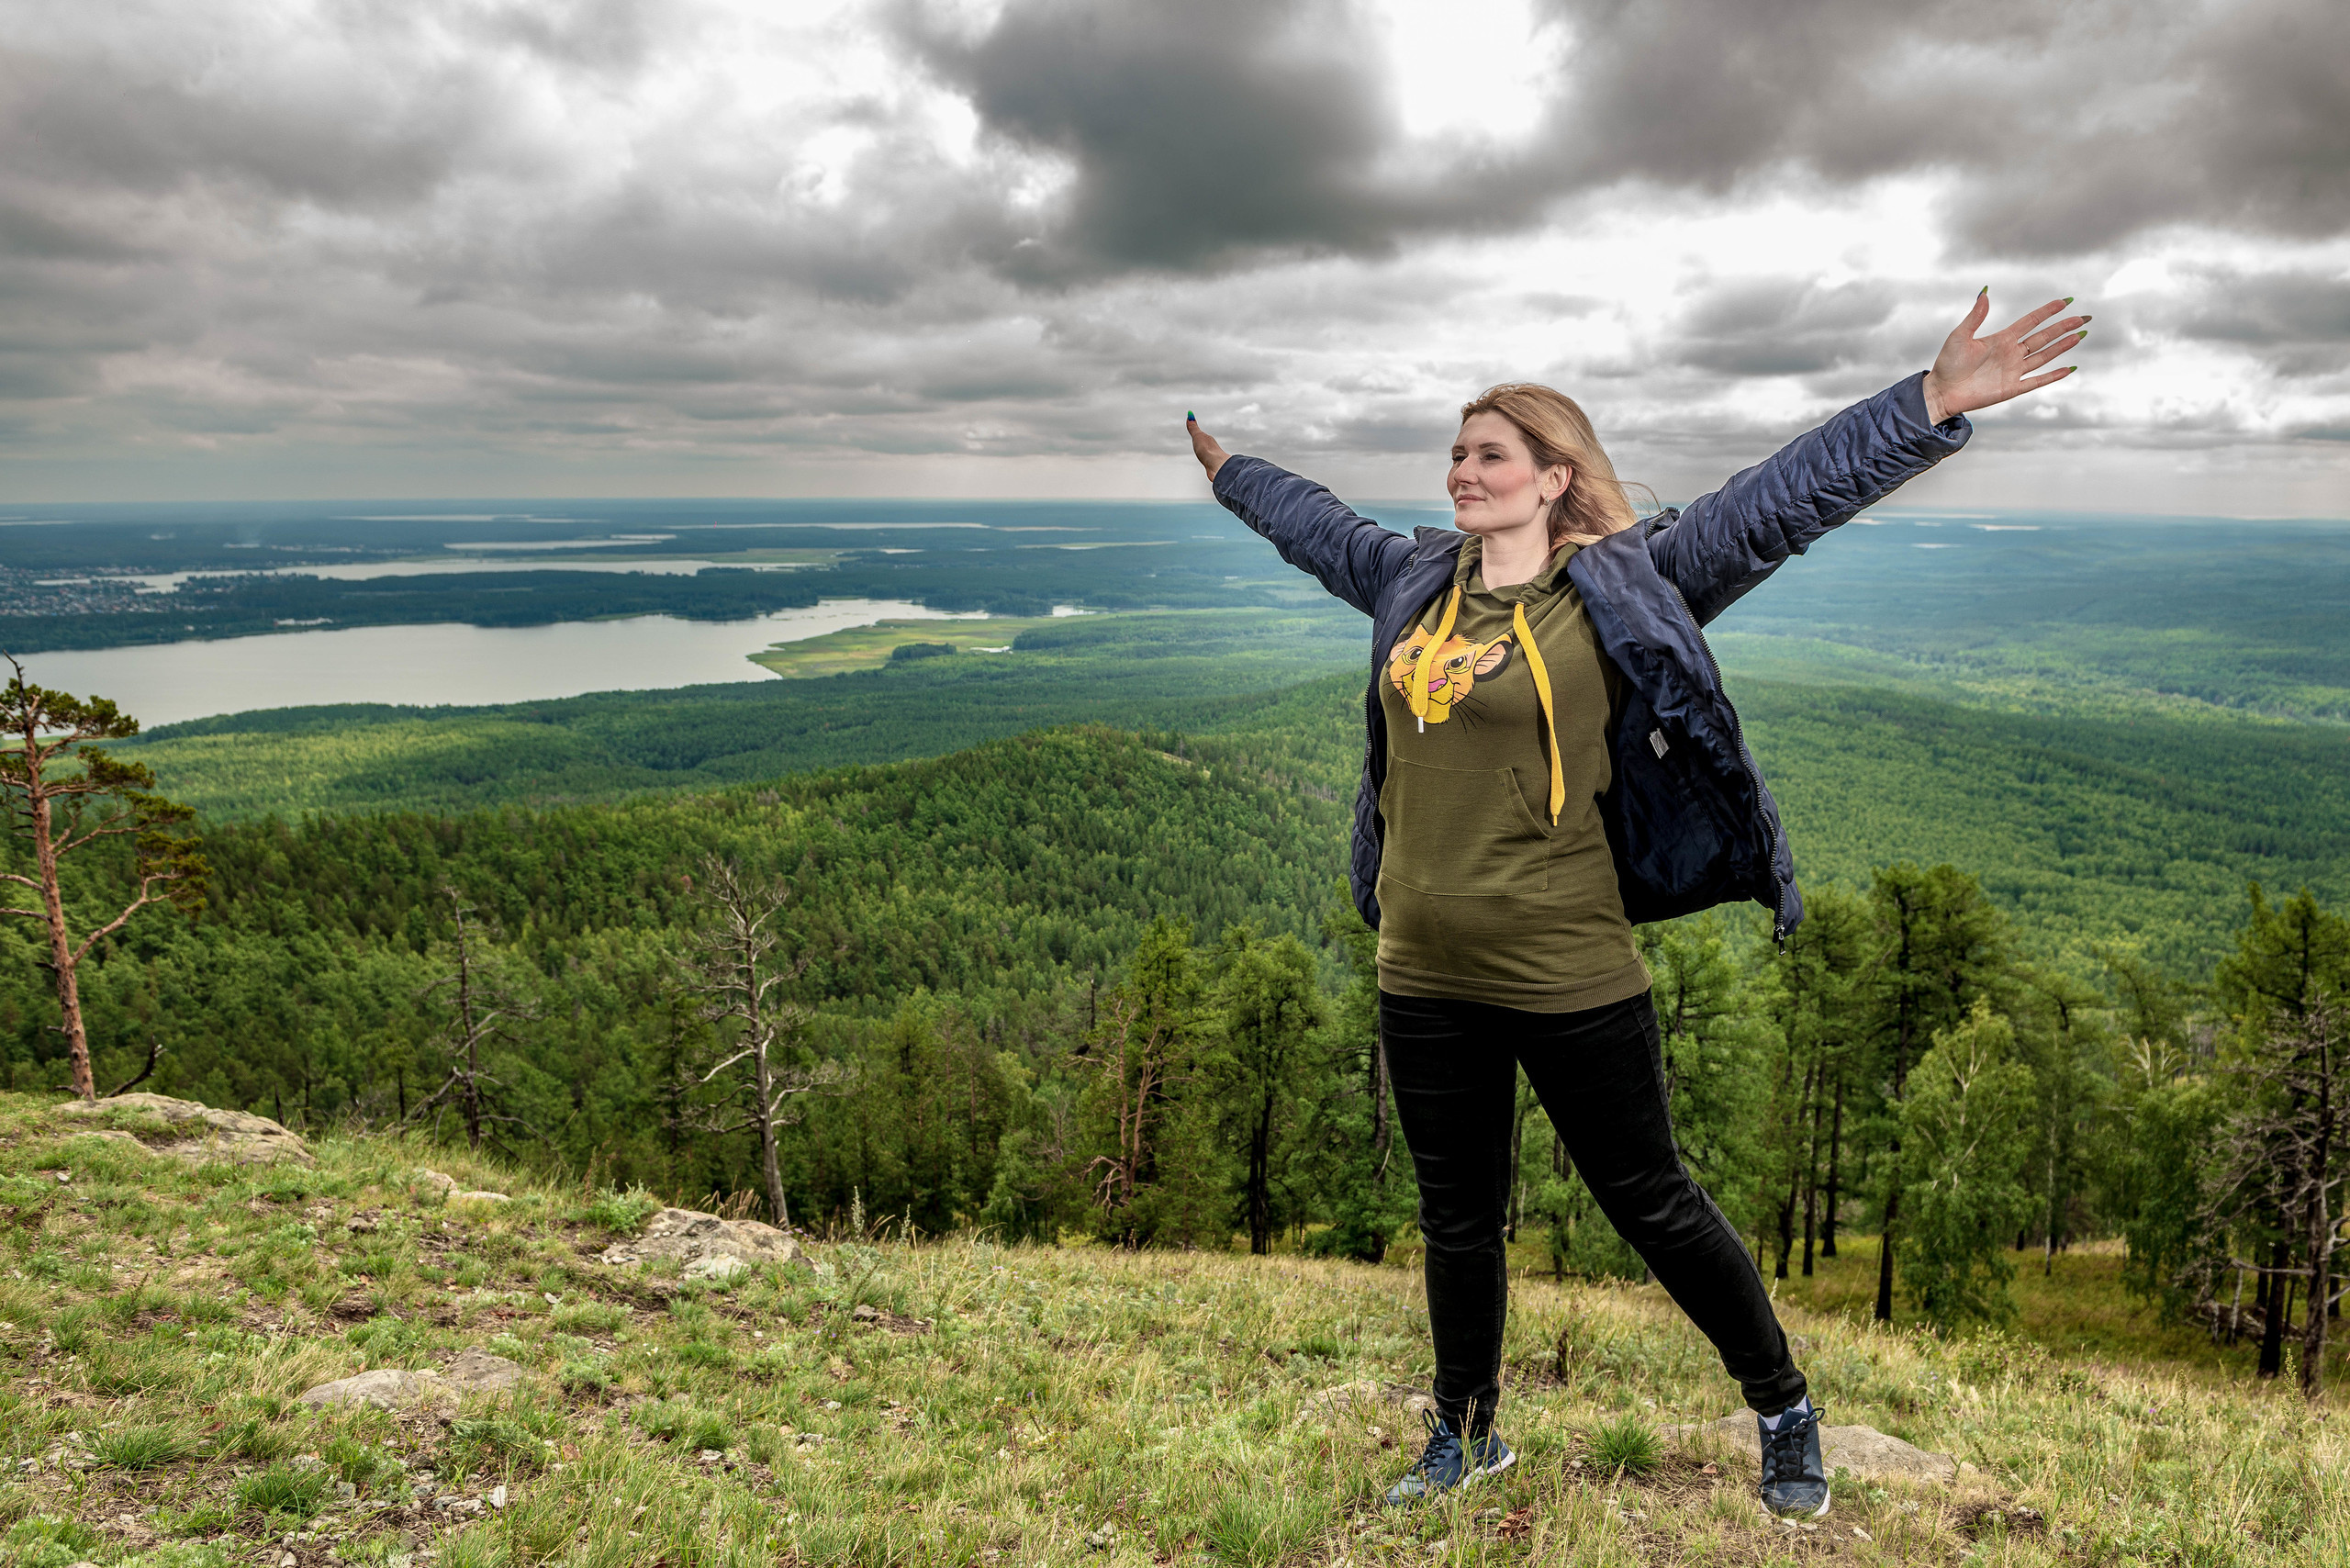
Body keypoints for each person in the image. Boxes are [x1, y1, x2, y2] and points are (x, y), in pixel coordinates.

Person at [1184, 290, 2087, 1519]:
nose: (1463, 470)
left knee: (1651, 1200)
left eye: (1489, 453)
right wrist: (1235, 471)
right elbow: (1315, 526)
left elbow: (1780, 500)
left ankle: (1782, 1402)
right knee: (1457, 1220)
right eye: (1455, 452)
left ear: (1557, 478)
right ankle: (1465, 1432)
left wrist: (1927, 406)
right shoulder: (1414, 583)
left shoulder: (1621, 582)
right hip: (1422, 964)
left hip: (1565, 965)